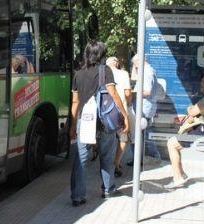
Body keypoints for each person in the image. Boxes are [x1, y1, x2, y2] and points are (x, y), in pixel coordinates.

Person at [69, 41, 130, 206]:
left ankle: (77, 196)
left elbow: (75, 103)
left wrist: (73, 126)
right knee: (106, 156)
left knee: (81, 158)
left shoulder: (78, 74)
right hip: (104, 120)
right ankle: (108, 189)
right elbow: (114, 95)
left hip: (84, 120)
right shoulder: (105, 71)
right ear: (102, 55)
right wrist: (125, 116)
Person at [165, 73, 204, 189]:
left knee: (171, 143)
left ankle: (178, 178)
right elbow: (195, 111)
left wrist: (192, 112)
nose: (201, 84)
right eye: (201, 81)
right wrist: (194, 112)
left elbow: (192, 111)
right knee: (173, 143)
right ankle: (180, 174)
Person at [129, 55, 161, 166]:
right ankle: (139, 159)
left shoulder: (147, 72)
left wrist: (133, 94)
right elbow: (133, 78)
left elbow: (147, 92)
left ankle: (153, 157)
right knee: (143, 133)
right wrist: (135, 65)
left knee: (145, 134)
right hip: (144, 106)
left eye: (135, 64)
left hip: (144, 107)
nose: (135, 67)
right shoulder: (145, 70)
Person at [106, 57, 131, 177]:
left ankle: (106, 165)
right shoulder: (124, 74)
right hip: (121, 112)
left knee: (107, 139)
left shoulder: (103, 73)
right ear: (117, 63)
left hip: (106, 112)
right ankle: (116, 163)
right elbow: (127, 94)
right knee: (123, 138)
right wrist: (129, 103)